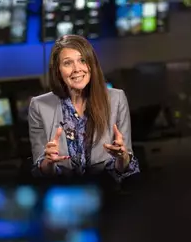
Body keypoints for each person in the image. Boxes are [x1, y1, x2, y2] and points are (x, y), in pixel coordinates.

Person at [28, 34, 140, 181]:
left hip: (106, 191)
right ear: (58, 70)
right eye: (68, 63)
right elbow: (40, 170)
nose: (77, 69)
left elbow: (126, 168)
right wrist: (48, 162)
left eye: (82, 60)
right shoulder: (39, 106)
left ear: (91, 65)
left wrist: (122, 157)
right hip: (61, 193)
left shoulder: (116, 99)